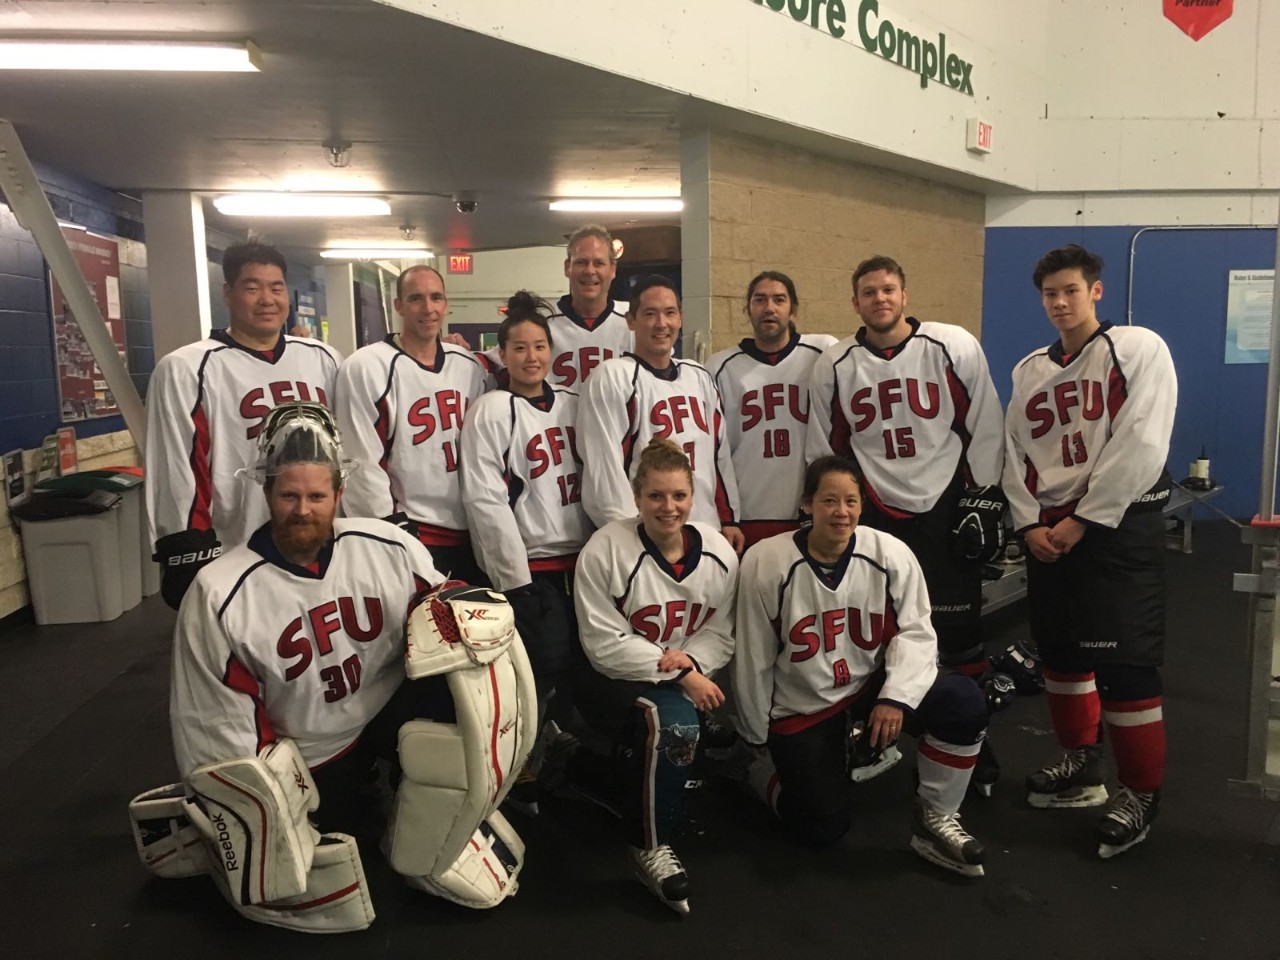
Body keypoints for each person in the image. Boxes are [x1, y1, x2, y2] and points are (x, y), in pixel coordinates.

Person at [136, 402, 535, 930]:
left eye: (317, 496)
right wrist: (250, 808)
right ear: (267, 493)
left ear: (338, 494)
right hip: (309, 748)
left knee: (467, 699)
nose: (303, 509)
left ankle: (433, 828)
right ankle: (198, 823)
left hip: (381, 707)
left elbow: (447, 600)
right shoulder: (219, 595)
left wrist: (458, 607)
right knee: (321, 850)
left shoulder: (386, 545)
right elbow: (216, 722)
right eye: (289, 495)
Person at [732, 456, 988, 877]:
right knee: (820, 827)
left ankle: (936, 816)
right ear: (806, 505)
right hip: (804, 702)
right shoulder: (766, 563)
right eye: (829, 500)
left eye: (850, 500)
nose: (841, 511)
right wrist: (753, 733)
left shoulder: (888, 552)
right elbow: (754, 656)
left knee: (962, 701)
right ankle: (754, 770)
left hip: (871, 682)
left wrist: (895, 698)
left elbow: (918, 633)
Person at [806, 254, 1005, 791]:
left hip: (943, 505)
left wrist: (984, 496)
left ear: (905, 294)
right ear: (855, 302)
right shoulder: (835, 364)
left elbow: (984, 421)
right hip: (874, 511)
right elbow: (826, 449)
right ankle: (879, 736)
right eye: (869, 292)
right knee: (878, 630)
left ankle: (971, 740)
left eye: (888, 289)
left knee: (958, 633)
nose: (880, 299)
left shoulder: (951, 345)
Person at [1004, 244, 1176, 858]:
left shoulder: (1136, 348)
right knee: (1062, 655)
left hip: (1116, 529)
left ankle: (1142, 791)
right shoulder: (1029, 370)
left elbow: (1140, 442)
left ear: (1095, 291)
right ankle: (1081, 764)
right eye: (1050, 293)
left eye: (1070, 290)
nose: (1059, 302)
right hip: (1049, 532)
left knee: (1126, 664)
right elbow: (1014, 453)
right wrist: (1027, 526)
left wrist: (1081, 521)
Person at [570, 438, 738, 914]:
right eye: (656, 496)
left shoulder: (719, 552)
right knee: (677, 725)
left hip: (680, 672)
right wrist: (684, 673)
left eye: (679, 496)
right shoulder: (605, 550)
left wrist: (689, 665)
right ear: (637, 496)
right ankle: (649, 844)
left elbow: (723, 630)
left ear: (692, 495)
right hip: (612, 677)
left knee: (679, 726)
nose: (669, 507)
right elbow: (603, 645)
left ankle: (599, 775)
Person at [145, 241, 341, 609]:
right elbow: (179, 465)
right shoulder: (188, 367)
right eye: (252, 288)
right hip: (237, 548)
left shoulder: (325, 358)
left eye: (276, 287)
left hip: (316, 538)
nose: (267, 299)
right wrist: (186, 546)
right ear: (228, 293)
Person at [460, 291, 594, 808]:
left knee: (578, 665)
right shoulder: (492, 410)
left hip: (582, 560)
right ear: (503, 354)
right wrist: (512, 579)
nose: (531, 357)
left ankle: (561, 752)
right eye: (519, 348)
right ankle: (517, 768)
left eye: (539, 346)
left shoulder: (575, 405)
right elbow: (485, 499)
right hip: (533, 565)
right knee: (539, 667)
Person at [334, 264, 490, 584]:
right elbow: (361, 459)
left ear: (446, 304)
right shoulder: (367, 367)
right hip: (413, 530)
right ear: (399, 306)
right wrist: (386, 529)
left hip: (473, 528)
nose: (428, 308)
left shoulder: (469, 365)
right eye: (416, 298)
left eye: (436, 298)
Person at [579, 274, 744, 554]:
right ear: (631, 320)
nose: (661, 324)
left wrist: (728, 518)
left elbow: (718, 456)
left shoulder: (699, 376)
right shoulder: (613, 377)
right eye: (650, 314)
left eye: (669, 313)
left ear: (681, 317)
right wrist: (631, 539)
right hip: (648, 539)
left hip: (705, 531)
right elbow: (604, 473)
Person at [708, 270, 836, 549]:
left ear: (793, 309)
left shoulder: (824, 353)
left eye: (779, 299)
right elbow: (716, 452)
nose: (769, 308)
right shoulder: (719, 367)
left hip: (809, 510)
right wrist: (727, 516)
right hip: (748, 513)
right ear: (748, 308)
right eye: (760, 300)